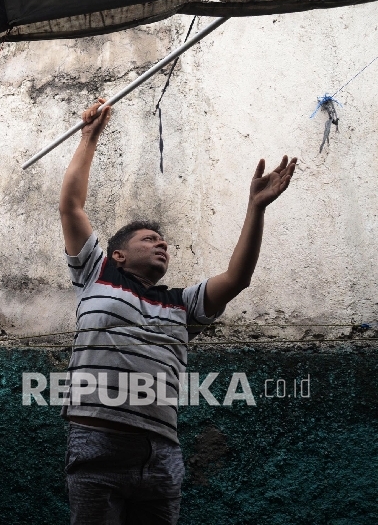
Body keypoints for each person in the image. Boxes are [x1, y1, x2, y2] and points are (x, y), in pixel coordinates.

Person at [59, 99, 297, 524]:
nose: (161, 243)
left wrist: (256, 208)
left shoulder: (181, 303)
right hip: (98, 442)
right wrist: (89, 138)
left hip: (161, 454)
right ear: (116, 254)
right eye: (150, 238)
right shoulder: (96, 274)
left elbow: (237, 278)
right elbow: (72, 207)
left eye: (164, 241)